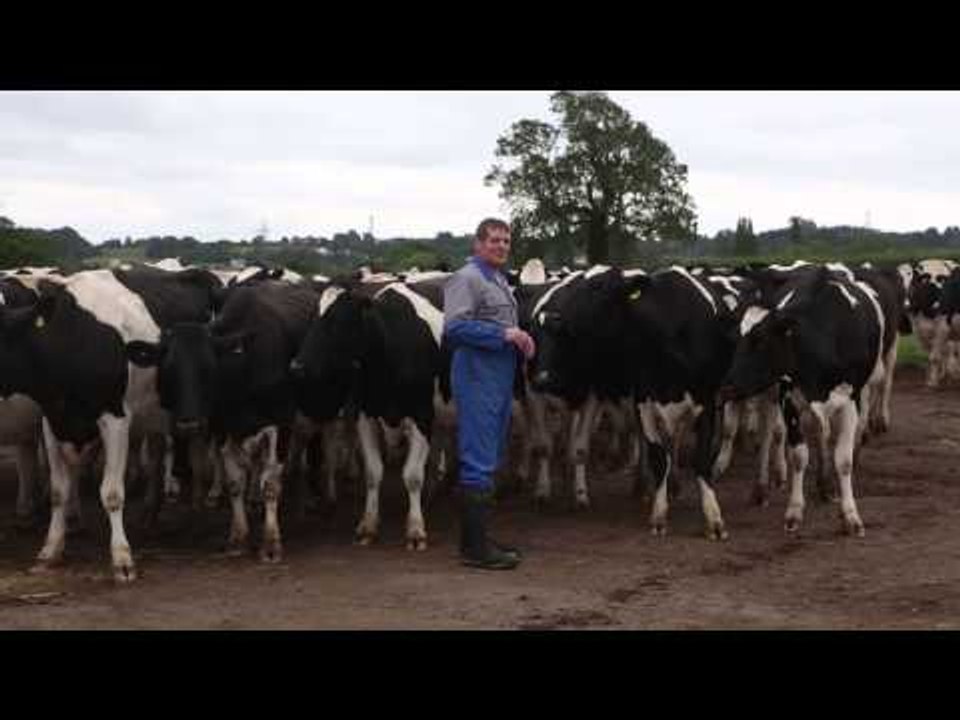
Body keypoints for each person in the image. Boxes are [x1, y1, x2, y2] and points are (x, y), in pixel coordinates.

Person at [443, 218, 536, 570]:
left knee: (491, 452)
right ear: (478, 244)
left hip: (498, 378)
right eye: (494, 240)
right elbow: (455, 327)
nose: (501, 246)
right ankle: (475, 550)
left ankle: (477, 539)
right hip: (477, 377)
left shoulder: (496, 278)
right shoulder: (466, 278)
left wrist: (519, 340)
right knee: (478, 456)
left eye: (506, 241)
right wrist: (505, 336)